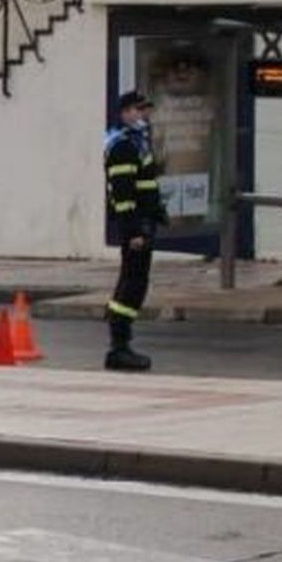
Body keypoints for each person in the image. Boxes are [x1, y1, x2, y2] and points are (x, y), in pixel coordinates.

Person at [104, 92, 169, 371]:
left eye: (145, 110)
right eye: (138, 110)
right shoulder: (122, 147)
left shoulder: (137, 143)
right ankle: (119, 348)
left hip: (144, 222)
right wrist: (133, 232)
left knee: (135, 281)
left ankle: (121, 346)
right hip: (136, 226)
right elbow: (124, 195)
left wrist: (157, 212)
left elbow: (145, 185)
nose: (143, 115)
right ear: (125, 113)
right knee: (132, 283)